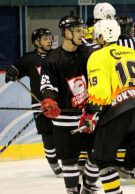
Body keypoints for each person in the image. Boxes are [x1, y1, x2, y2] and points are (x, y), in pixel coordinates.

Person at [83, 19, 135, 194]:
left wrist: (91, 111)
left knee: (104, 160)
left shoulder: (97, 56)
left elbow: (100, 92)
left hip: (115, 114)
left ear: (102, 36)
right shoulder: (131, 53)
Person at [40, 15, 99, 194]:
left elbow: (98, 82)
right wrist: (49, 99)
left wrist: (94, 108)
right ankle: (72, 190)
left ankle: (88, 186)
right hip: (64, 117)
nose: (83, 34)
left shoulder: (89, 54)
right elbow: (47, 84)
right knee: (68, 159)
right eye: (79, 31)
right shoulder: (52, 58)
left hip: (89, 115)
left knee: (98, 155)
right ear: (67, 32)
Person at [5, 28, 63, 177]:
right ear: (37, 42)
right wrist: (11, 73)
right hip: (40, 104)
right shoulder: (29, 59)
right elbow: (13, 73)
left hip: (59, 103)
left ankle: (69, 160)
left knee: (62, 133)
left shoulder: (58, 55)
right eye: (45, 38)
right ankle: (53, 162)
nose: (49, 41)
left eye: (50, 38)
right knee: (47, 134)